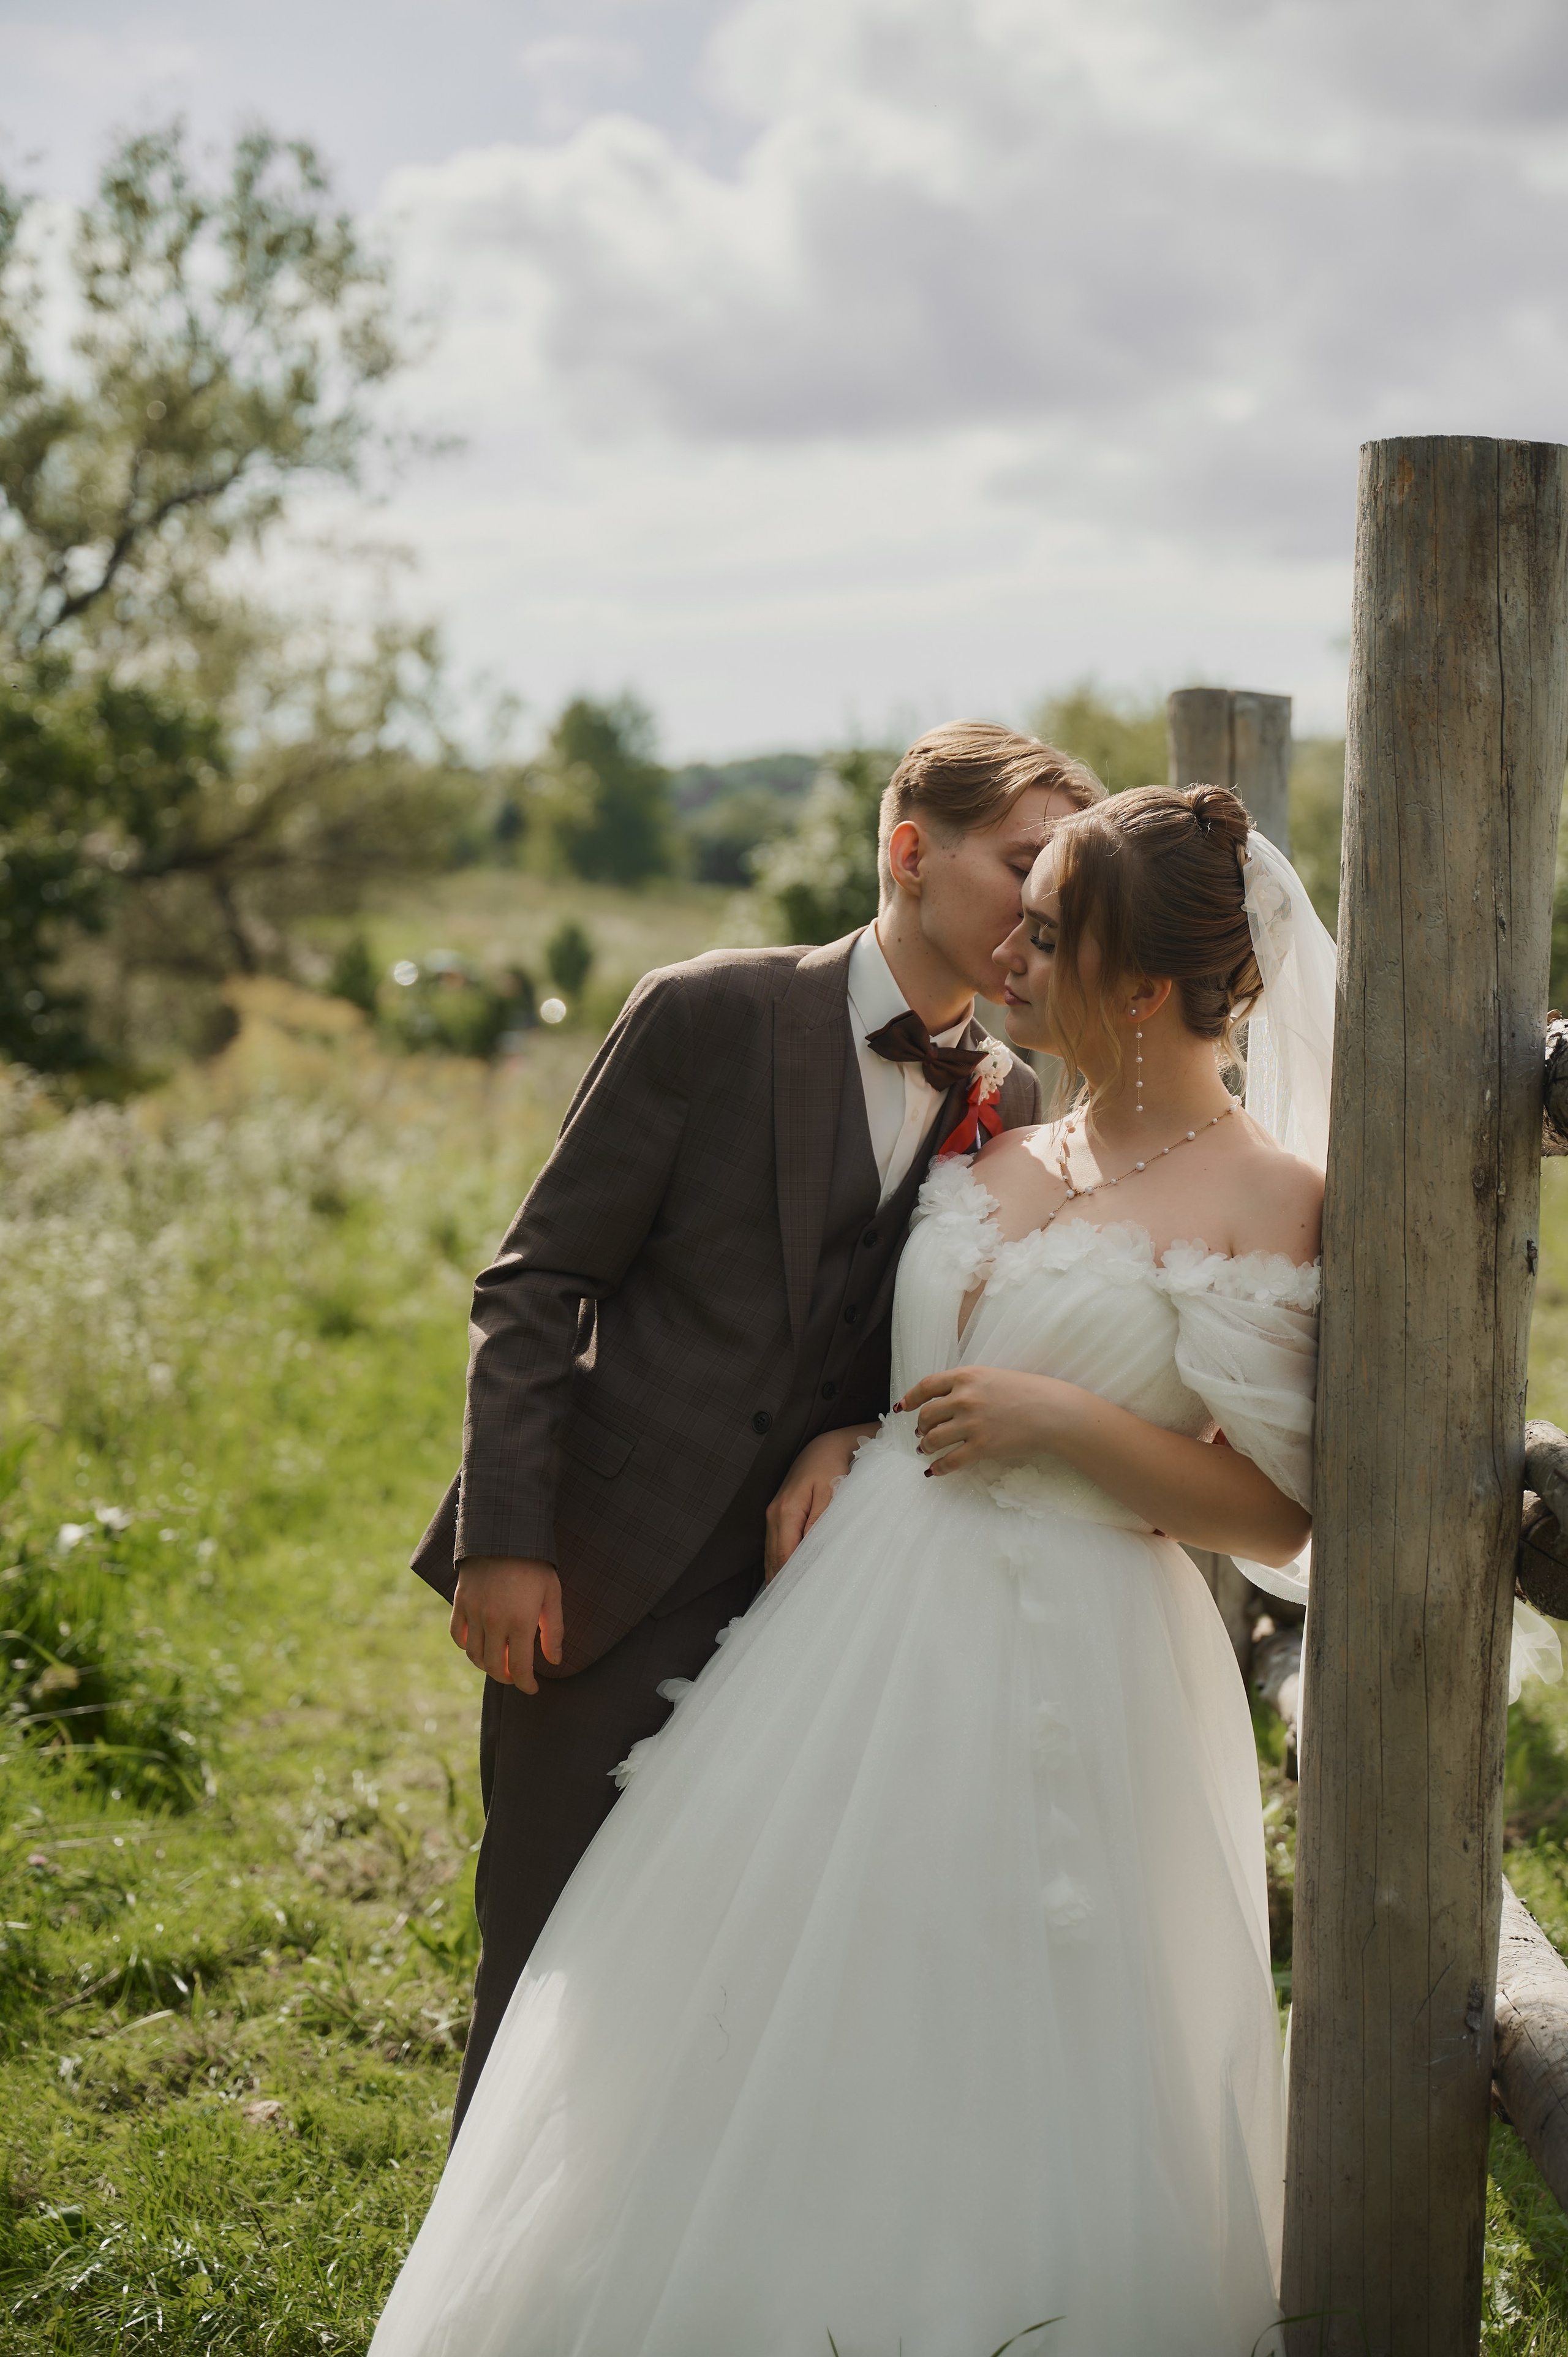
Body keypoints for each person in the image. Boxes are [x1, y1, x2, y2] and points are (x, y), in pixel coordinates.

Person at [372, 783, 1336, 2355]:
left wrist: (1061, 1421)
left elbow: (1274, 1517)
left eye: (1053, 925)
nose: (1019, 950)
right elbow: (841, 1326)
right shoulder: (1020, 1124)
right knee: (733, 1984)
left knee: (986, 2001)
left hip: (1067, 1650)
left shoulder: (1270, 1200)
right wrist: (849, 1437)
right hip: (839, 1626)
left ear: (1143, 985)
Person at [411, 720, 1102, 2130]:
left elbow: (931, 1334)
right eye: (1022, 864)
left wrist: (843, 1437)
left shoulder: (1016, 1098)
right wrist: (507, 1536)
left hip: (825, 1595)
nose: (1041, 911)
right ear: (910, 853)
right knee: (543, 1924)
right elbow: (536, 1282)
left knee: (731, 1949)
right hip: (604, 1562)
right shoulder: (707, 1012)